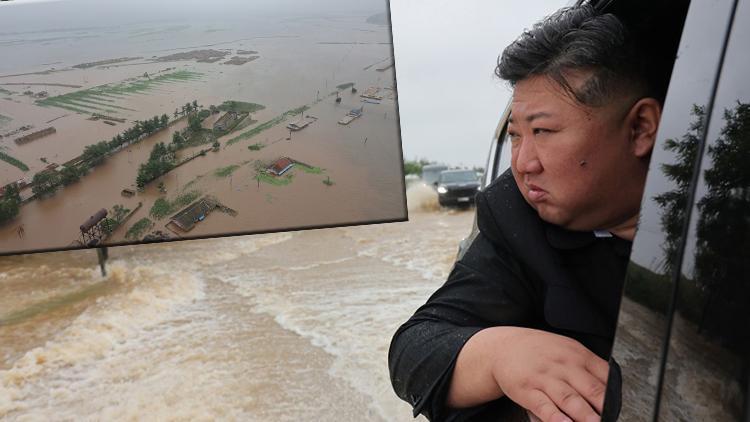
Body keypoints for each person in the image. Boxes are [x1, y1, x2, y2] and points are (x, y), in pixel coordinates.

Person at [389, 4, 669, 421]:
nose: (522, 163)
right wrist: (498, 354)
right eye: (516, 136)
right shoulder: (516, 218)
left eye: (543, 131)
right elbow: (415, 350)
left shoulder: (722, 218)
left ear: (641, 128)